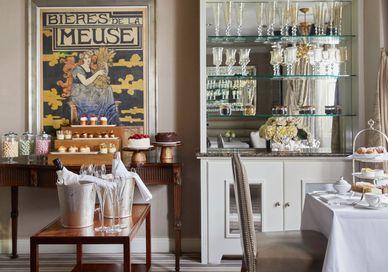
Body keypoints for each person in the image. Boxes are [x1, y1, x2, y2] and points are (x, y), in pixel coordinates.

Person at [71, 51, 119, 124]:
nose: (88, 60)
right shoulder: (78, 69)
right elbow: (85, 82)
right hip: (81, 92)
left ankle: (108, 117)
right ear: (82, 59)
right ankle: (98, 119)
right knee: (104, 92)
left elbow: (102, 75)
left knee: (108, 89)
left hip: (90, 90)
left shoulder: (90, 68)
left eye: (89, 58)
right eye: (86, 58)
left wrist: (105, 67)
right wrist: (97, 73)